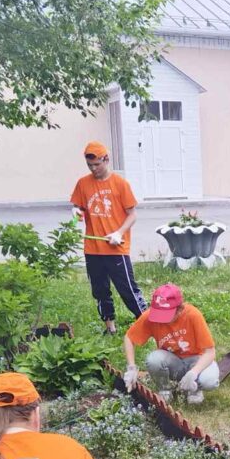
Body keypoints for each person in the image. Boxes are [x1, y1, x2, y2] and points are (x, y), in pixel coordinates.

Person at [70, 141, 147, 335]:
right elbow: (80, 207)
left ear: (106, 159)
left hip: (116, 248)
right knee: (100, 291)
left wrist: (119, 232)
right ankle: (110, 328)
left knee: (128, 290)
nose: (94, 169)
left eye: (97, 164)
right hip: (93, 249)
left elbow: (133, 214)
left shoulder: (120, 184)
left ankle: (148, 326)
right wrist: (77, 211)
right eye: (90, 166)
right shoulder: (83, 183)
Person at [123, 283, 219, 404]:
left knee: (209, 380)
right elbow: (129, 338)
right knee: (154, 359)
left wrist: (194, 372)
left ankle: (195, 389)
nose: (161, 319)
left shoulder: (193, 315)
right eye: (159, 313)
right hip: (173, 362)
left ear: (179, 310)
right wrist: (131, 368)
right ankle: (165, 389)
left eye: (166, 315)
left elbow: (210, 352)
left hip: (196, 360)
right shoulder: (151, 316)